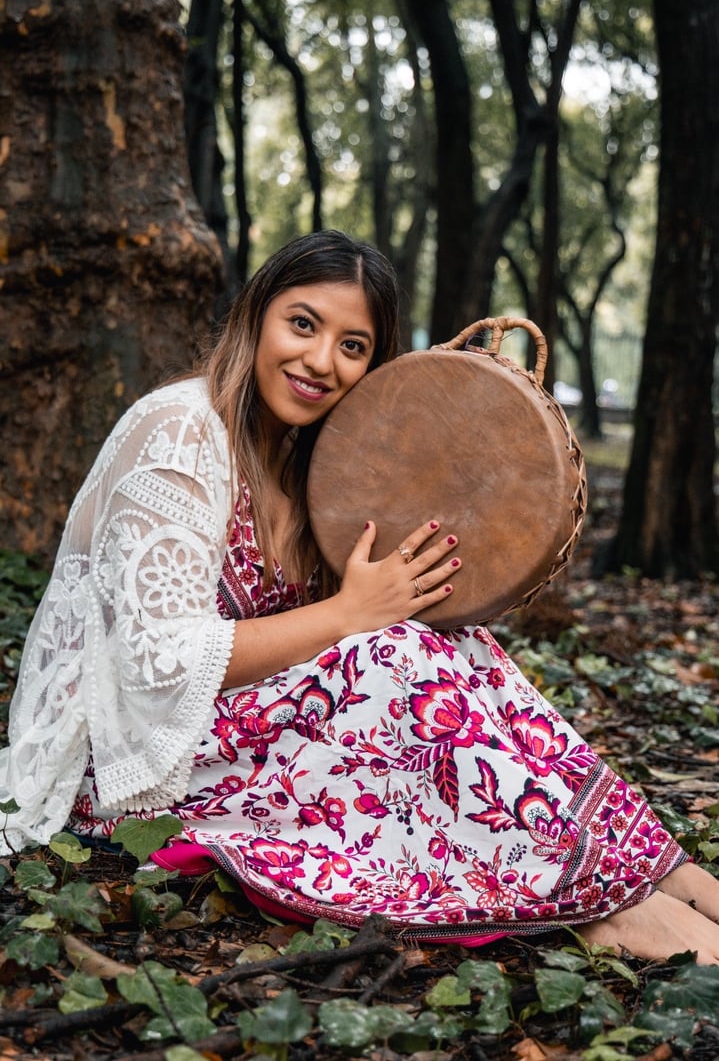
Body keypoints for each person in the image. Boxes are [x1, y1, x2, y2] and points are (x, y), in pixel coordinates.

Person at [2, 229, 719, 963]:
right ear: (255, 315)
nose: (320, 361)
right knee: (392, 649)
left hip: (235, 732)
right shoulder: (181, 430)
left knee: (456, 644)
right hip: (137, 767)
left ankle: (658, 870)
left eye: (353, 345)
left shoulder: (308, 457)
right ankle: (596, 903)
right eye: (303, 324)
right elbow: (157, 663)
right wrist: (351, 612)